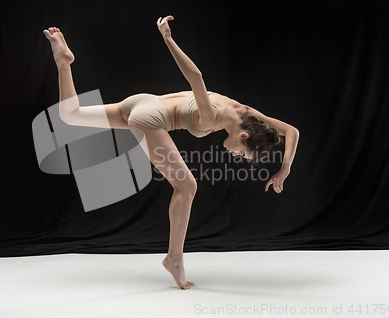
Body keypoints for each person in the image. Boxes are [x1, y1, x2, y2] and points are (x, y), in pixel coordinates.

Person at [43, 15, 300, 290]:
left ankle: (64, 62)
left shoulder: (247, 113)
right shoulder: (212, 118)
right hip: (148, 118)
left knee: (70, 114)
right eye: (243, 153)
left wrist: (284, 169)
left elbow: (292, 131)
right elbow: (196, 77)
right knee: (187, 186)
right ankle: (174, 259)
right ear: (244, 136)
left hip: (143, 101)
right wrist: (168, 38)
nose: (237, 156)